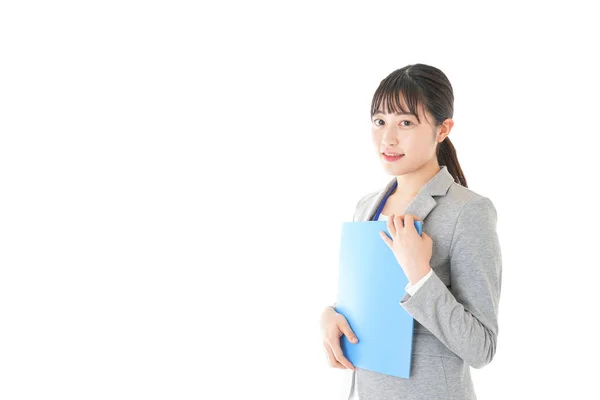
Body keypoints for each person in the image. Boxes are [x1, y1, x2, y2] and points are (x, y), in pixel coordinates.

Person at [319, 63, 503, 400]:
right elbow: (371, 301)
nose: (388, 138)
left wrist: (419, 274)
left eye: (406, 122)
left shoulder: (468, 212)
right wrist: (331, 315)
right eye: (380, 122)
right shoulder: (367, 206)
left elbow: (482, 348)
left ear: (442, 129)